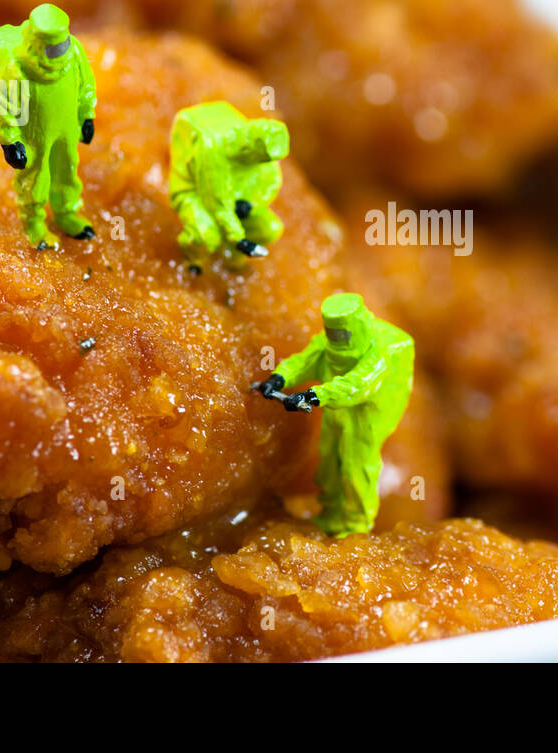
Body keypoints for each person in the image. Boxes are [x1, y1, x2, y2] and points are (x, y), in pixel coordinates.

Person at [254, 293, 414, 536]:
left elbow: (358, 384)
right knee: (328, 461)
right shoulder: (328, 344)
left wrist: (313, 396)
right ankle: (329, 512)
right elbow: (305, 360)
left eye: (342, 334)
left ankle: (355, 527)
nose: (337, 339)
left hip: (367, 416)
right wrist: (280, 377)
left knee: (356, 467)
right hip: (335, 409)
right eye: (333, 333)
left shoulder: (379, 353)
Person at [0, 3, 96, 249]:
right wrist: (10, 140)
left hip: (66, 130)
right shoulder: (17, 69)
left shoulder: (74, 52)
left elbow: (85, 84)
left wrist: (87, 115)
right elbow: (0, 103)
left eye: (61, 44)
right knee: (35, 177)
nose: (59, 52)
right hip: (34, 134)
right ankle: (33, 223)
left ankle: (66, 213)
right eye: (52, 48)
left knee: (67, 170)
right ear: (36, 43)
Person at [168, 100, 289, 268]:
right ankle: (191, 263)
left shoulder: (264, 156)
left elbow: (272, 181)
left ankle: (232, 258)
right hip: (193, 191)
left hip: (235, 199)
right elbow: (218, 204)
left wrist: (251, 204)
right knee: (206, 235)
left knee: (269, 228)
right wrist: (240, 240)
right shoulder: (214, 150)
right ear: (249, 149)